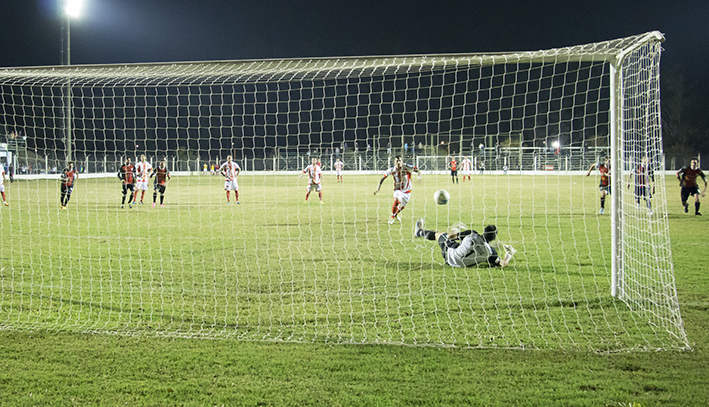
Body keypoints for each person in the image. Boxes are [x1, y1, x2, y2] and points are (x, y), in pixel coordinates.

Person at [414, 218, 516, 268]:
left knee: (439, 235)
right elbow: (502, 264)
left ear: (484, 231)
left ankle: (419, 232)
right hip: (460, 265)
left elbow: (450, 236)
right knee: (461, 247)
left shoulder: (473, 234)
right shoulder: (491, 252)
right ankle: (419, 232)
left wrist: (456, 227)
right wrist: (509, 254)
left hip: (450, 255)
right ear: (493, 239)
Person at [374, 155, 420, 224]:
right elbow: (383, 178)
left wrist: (419, 178)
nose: (398, 162)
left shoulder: (407, 167)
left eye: (400, 160)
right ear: (394, 162)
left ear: (402, 161)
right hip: (397, 189)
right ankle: (392, 218)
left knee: (402, 206)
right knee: (396, 201)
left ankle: (395, 215)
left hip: (407, 191)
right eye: (397, 161)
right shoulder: (392, 170)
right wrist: (378, 188)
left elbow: (417, 170)